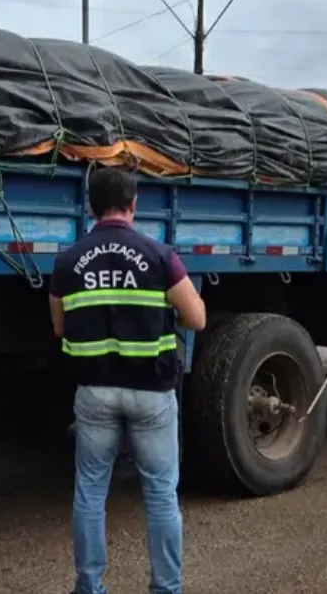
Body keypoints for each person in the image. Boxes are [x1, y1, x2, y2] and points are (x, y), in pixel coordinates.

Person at [48, 167, 207, 594]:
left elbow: (60, 328)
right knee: (159, 496)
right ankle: (166, 588)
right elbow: (197, 318)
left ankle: (90, 586)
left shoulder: (67, 261)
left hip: (95, 391)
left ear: (89, 206)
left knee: (90, 493)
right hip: (152, 393)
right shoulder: (159, 255)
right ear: (134, 204)